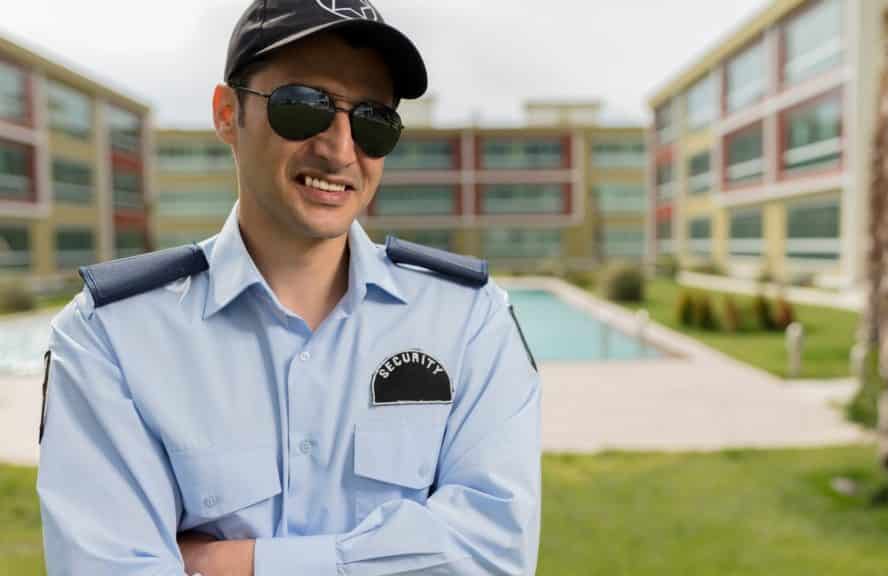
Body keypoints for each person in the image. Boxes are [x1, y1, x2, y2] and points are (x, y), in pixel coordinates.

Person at [36, 1, 542, 574]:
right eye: (303, 106)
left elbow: (492, 554)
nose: (340, 149)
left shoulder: (468, 320)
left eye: (373, 119)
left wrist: (235, 562)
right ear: (227, 113)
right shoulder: (110, 335)